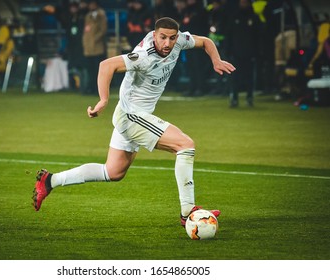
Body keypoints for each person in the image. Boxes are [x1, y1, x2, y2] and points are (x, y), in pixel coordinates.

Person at [32, 17, 235, 227]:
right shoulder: (143, 56)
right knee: (185, 145)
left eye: (172, 38)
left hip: (131, 114)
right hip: (132, 116)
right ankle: (187, 212)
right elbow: (106, 65)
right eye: (162, 37)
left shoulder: (180, 41)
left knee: (113, 172)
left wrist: (216, 60)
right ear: (154, 35)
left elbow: (205, 42)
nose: (167, 43)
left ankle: (50, 180)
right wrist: (103, 100)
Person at [226, 0, 262, 107]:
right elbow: (229, 35)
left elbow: (259, 37)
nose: (243, 4)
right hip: (235, 54)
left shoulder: (254, 18)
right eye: (242, 2)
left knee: (249, 77)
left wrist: (258, 52)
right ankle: (234, 98)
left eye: (245, 2)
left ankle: (249, 97)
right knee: (234, 78)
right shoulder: (234, 17)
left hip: (250, 54)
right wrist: (228, 51)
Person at [82, 0, 107, 94]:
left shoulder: (101, 14)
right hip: (88, 48)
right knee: (90, 70)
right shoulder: (88, 15)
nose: (91, 5)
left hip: (97, 48)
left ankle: (99, 90)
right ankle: (91, 88)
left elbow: (103, 30)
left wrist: (95, 39)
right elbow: (86, 30)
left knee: (98, 70)